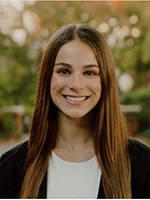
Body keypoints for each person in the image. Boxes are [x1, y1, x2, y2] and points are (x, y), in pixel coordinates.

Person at [0, 22, 150, 199]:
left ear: (106, 80)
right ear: (47, 78)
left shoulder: (143, 165)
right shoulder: (10, 167)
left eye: (90, 73)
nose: (76, 85)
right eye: (64, 71)